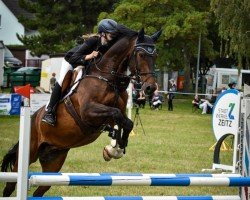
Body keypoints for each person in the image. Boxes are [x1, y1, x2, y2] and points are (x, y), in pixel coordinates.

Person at [42, 19, 119, 126]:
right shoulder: (92, 41)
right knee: (61, 81)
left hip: (86, 64)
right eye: (111, 35)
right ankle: (49, 111)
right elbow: (74, 58)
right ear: (102, 33)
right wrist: (90, 56)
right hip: (72, 60)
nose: (113, 38)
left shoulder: (108, 44)